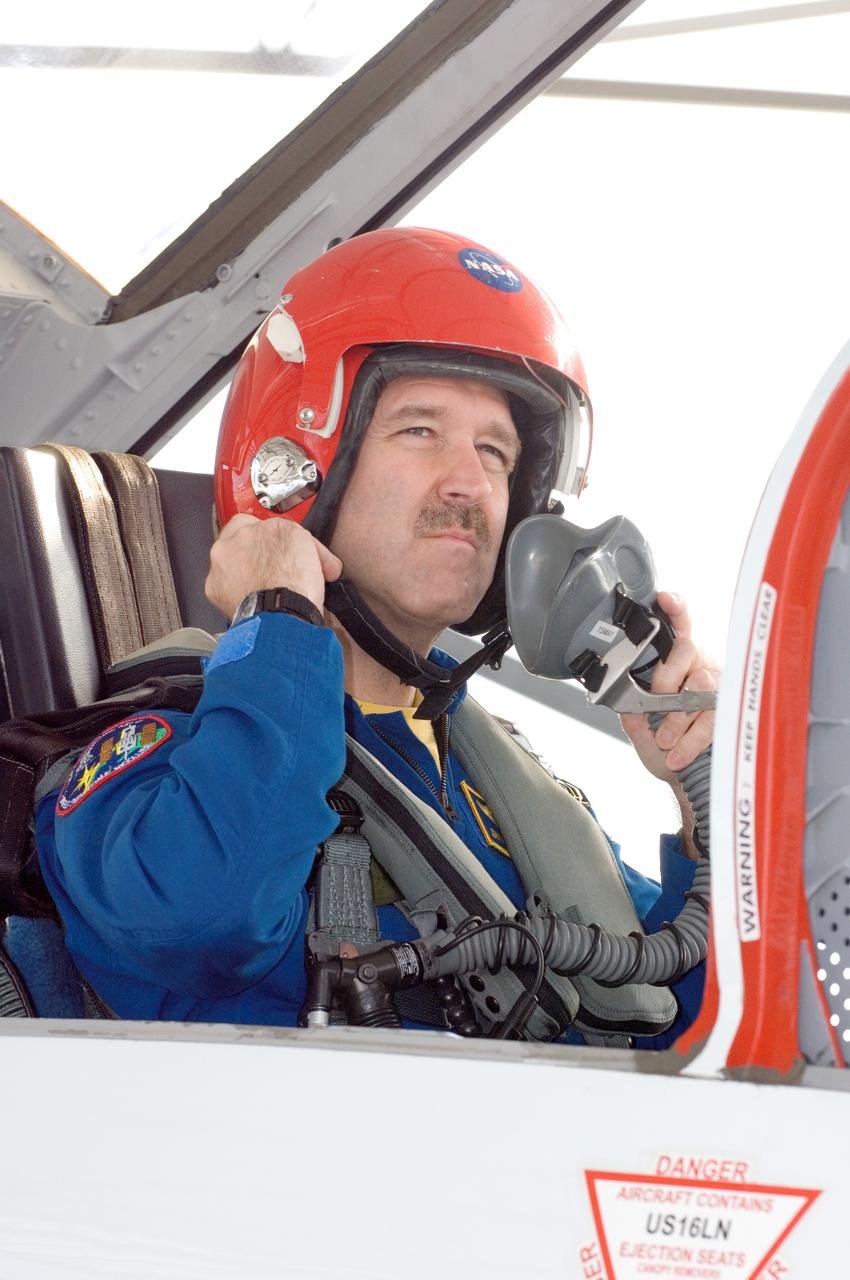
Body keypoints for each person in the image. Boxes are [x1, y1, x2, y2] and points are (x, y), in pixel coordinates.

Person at [33, 228, 718, 1043]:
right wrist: (281, 617)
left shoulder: (500, 787)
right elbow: (199, 919)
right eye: (420, 431)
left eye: (496, 453)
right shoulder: (162, 747)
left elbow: (685, 1017)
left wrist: (705, 795)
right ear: (298, 463)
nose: (469, 483)